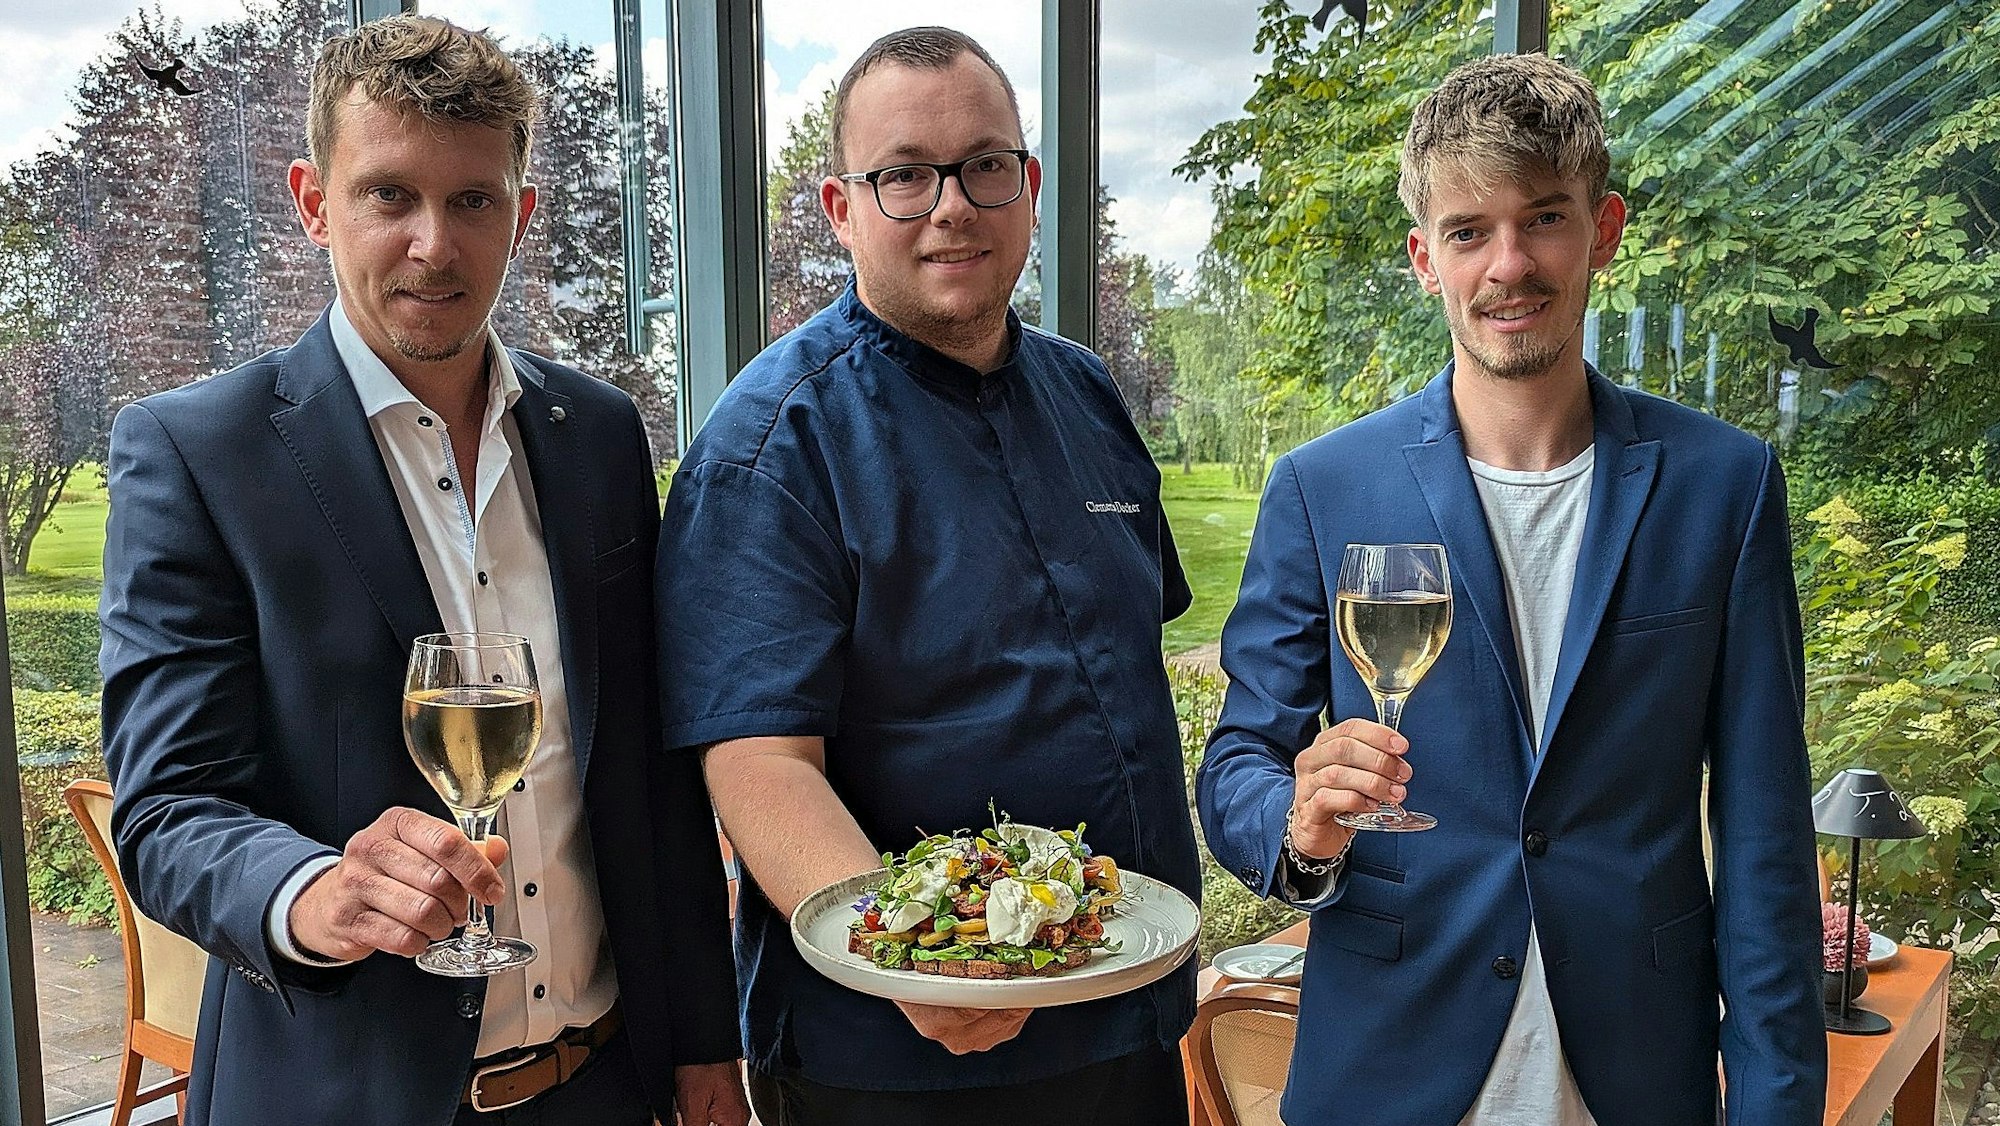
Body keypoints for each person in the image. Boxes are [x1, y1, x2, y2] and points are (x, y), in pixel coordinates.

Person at [97, 16, 747, 1126]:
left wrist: (701, 1046)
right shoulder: (197, 453)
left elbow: (644, 771)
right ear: (314, 201)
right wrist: (315, 890)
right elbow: (166, 809)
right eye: (388, 195)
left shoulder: (596, 434)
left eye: (473, 200)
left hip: (602, 1085)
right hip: (344, 1097)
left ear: (520, 214)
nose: (434, 244)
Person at [1197, 52, 1826, 1126]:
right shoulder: (1320, 487)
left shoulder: (1724, 486)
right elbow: (1235, 765)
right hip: (1386, 1074)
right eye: (1466, 231)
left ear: (1604, 230)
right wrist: (1296, 825)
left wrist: (1773, 1105)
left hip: (1635, 1075)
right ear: (1420, 258)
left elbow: (1765, 837)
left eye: (1541, 217)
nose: (1506, 264)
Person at [654, 25, 1199, 1126]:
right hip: (901, 1058)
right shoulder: (772, 444)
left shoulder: (1084, 392)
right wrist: (909, 965)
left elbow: (1132, 667)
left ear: (1028, 189)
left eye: (984, 166)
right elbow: (759, 764)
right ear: (840, 207)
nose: (951, 205)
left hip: (1125, 1016)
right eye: (903, 175)